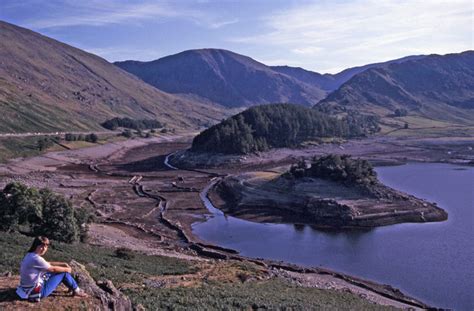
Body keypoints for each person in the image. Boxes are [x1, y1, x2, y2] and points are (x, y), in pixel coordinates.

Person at [16, 236, 88, 302]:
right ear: (35, 245)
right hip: (37, 291)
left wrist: (63, 264)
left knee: (58, 271)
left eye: (46, 246)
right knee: (63, 273)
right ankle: (77, 291)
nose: (44, 248)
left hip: (26, 288)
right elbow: (53, 269)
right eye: (41, 246)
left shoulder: (30, 255)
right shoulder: (36, 259)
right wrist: (67, 269)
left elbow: (47, 263)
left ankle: (71, 286)